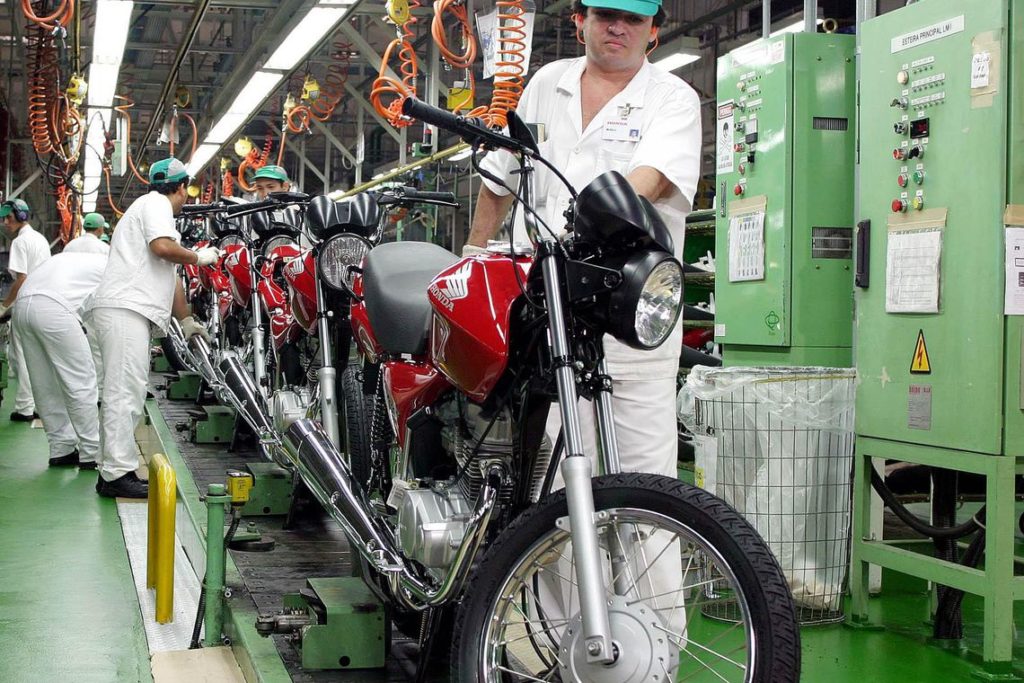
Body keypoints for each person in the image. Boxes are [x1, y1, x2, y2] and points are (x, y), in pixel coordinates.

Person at [467, 0, 700, 638]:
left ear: (653, 30)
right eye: (604, 14)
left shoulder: (672, 98)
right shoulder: (547, 84)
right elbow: (500, 177)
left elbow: (652, 179)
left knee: (646, 493)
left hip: (629, 323)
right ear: (581, 21)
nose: (616, 27)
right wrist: (474, 252)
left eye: (632, 18)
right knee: (559, 491)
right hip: (551, 319)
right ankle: (561, 647)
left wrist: (589, 218)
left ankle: (655, 653)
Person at [87, 157, 219, 498]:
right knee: (124, 392)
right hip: (124, 310)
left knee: (124, 390)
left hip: (125, 310)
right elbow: (162, 249)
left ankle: (112, 469)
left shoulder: (149, 210)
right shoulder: (158, 204)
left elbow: (170, 276)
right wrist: (199, 257)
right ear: (182, 188)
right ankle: (116, 475)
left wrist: (186, 320)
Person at [12, 251, 108, 469]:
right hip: (55, 307)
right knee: (81, 381)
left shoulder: (82, 260)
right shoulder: (115, 268)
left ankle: (61, 449)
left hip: (23, 304)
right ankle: (91, 452)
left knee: (44, 383)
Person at [0, 197, 52, 422]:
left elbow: (22, 279)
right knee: (38, 357)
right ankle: (40, 405)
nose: (5, 222)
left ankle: (24, 407)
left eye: (8, 218)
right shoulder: (40, 239)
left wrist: (4, 306)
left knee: (19, 356)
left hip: (27, 303)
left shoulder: (21, 242)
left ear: (21, 216)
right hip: (43, 303)